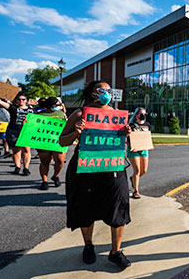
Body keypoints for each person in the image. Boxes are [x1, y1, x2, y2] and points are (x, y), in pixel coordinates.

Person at [59, 80, 131, 269]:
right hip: (85, 167)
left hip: (113, 166)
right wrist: (76, 132)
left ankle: (116, 252)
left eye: (109, 90)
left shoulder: (118, 116)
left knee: (119, 203)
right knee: (85, 206)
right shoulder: (80, 114)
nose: (106, 93)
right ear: (92, 93)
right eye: (101, 90)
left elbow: (127, 144)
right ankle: (88, 246)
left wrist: (128, 134)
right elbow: (61, 142)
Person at [0, 92, 34, 175]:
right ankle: (17, 166)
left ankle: (26, 168)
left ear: (26, 101)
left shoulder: (32, 110)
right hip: (13, 131)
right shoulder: (13, 108)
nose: (21, 101)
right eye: (19, 99)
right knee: (16, 150)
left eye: (23, 99)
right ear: (16, 101)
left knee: (27, 149)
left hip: (26, 131)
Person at [36, 97, 67, 190]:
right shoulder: (39, 114)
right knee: (45, 162)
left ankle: (55, 175)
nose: (59, 106)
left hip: (57, 141)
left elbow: (66, 125)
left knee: (60, 161)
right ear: (51, 105)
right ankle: (44, 181)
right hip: (43, 141)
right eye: (58, 105)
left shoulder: (61, 114)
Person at [127, 107, 151, 199]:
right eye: (141, 114)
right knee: (137, 171)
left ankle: (133, 179)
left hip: (144, 149)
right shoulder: (132, 125)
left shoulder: (147, 125)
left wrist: (150, 145)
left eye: (144, 114)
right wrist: (130, 145)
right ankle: (136, 191)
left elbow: (147, 137)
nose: (143, 116)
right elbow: (128, 138)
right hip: (133, 149)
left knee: (143, 170)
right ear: (136, 115)